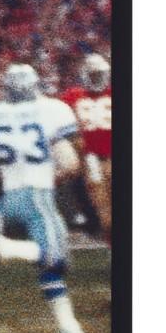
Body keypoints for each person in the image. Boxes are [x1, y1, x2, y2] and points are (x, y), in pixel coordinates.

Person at [0, 64, 86, 333]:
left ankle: (68, 326)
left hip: (9, 198)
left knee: (51, 266)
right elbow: (72, 163)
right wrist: (58, 176)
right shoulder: (53, 109)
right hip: (38, 195)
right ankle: (9, 247)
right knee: (57, 255)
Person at [59, 53, 113, 235]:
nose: (96, 78)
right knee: (101, 202)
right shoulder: (73, 95)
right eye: (93, 74)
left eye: (99, 74)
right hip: (90, 158)